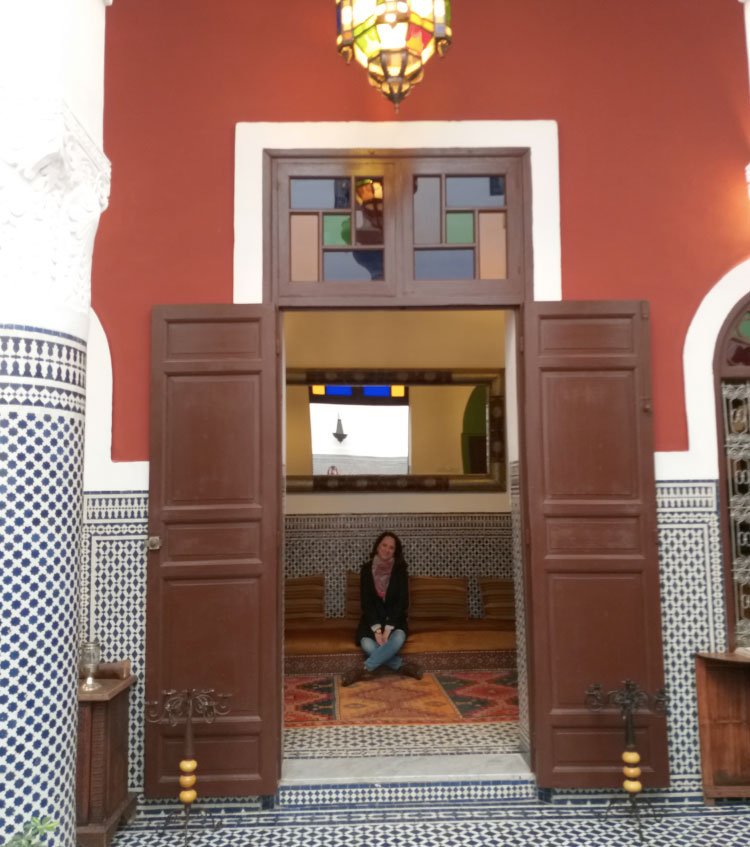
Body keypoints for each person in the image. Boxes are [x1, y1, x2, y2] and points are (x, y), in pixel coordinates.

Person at [341, 531, 424, 686]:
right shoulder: (366, 569)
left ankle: (363, 669)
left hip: (395, 620)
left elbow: (402, 602)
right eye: (384, 545)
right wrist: (377, 630)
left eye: (391, 548)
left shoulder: (400, 570)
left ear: (395, 551)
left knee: (397, 638)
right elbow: (366, 603)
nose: (387, 550)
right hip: (371, 621)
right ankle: (401, 666)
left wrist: (388, 629)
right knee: (367, 644)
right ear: (377, 546)